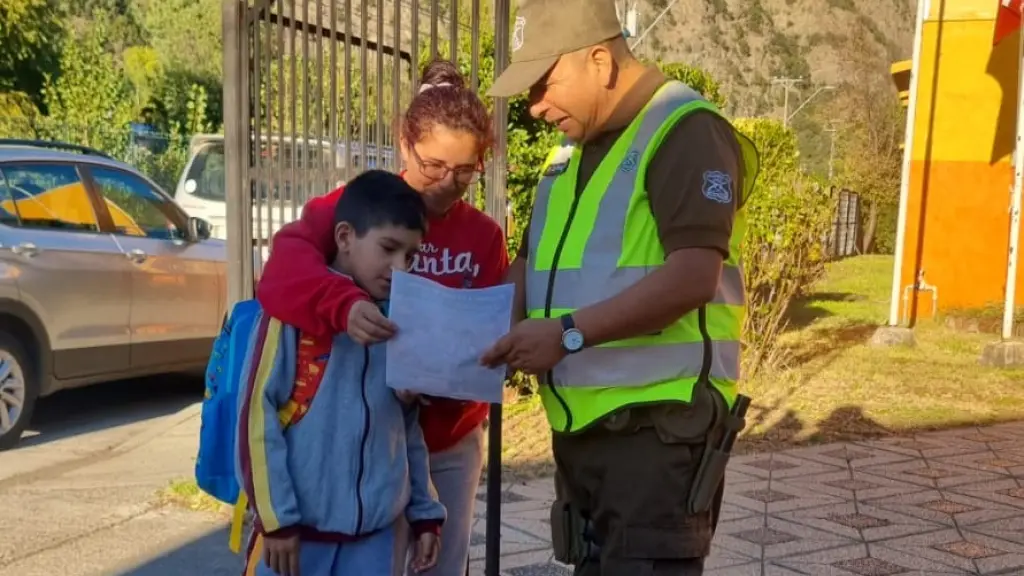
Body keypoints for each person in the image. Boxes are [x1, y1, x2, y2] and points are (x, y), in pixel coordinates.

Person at [479, 0, 760, 574]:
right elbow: (531, 260)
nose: (535, 107)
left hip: (657, 438)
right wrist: (488, 330)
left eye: (544, 84)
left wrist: (566, 336)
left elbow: (694, 275)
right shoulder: (568, 153)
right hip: (584, 434)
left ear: (600, 61)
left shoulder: (685, 130)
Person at [255, 59, 508, 576]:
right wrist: (345, 305)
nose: (447, 183)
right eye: (433, 166)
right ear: (403, 144)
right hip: (357, 447)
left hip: (446, 440)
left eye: (465, 171)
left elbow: (487, 337)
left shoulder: (484, 236)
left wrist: (441, 379)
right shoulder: (359, 205)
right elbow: (284, 268)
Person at [238, 170, 445, 576]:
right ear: (345, 236)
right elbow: (255, 417)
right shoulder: (290, 312)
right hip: (294, 540)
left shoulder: (403, 319)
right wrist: (277, 519)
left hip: (376, 541)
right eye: (388, 248)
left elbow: (406, 428)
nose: (400, 268)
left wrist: (425, 512)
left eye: (410, 256)